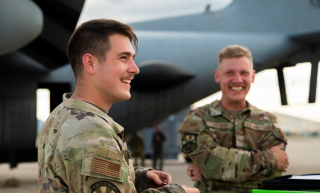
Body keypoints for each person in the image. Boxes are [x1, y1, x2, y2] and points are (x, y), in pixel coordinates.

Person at [38, 19, 199, 193]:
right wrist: (177, 191)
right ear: (90, 63)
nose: (135, 69)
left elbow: (79, 179)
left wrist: (138, 178)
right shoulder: (91, 132)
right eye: (123, 58)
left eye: (133, 58)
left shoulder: (60, 115)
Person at [177, 45, 289, 193]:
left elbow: (276, 171)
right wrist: (268, 159)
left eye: (244, 73)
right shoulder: (197, 118)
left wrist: (212, 175)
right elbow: (210, 166)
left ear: (252, 76)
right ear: (217, 76)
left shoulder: (268, 121)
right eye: (229, 73)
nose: (237, 80)